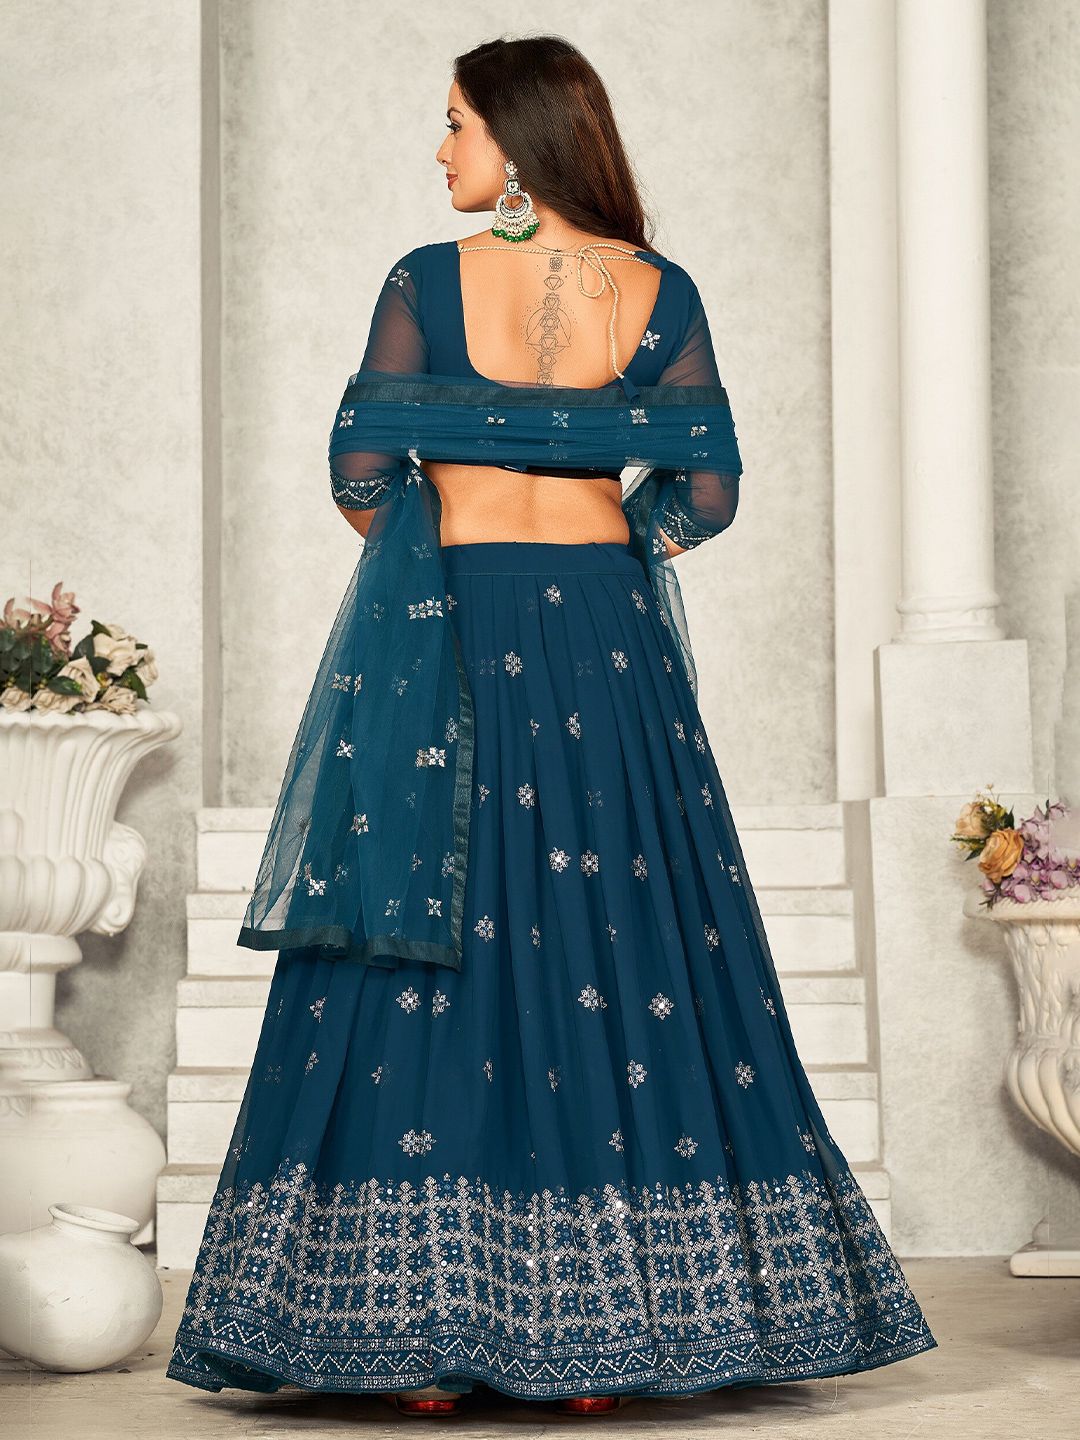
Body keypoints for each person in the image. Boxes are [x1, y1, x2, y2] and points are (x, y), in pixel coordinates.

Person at [165, 35, 937, 1416]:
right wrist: (608, 545)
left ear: (517, 143)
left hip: (454, 628)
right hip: (603, 641)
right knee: (619, 933)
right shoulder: (659, 289)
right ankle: (615, 1339)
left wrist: (434, 553)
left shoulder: (428, 279)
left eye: (457, 124)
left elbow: (360, 470)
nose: (442, 149)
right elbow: (707, 493)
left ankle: (411, 1342)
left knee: (426, 939)